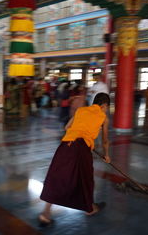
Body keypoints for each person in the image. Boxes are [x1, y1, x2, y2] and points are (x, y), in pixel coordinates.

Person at [39, 93, 111, 226]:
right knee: (86, 179)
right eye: (106, 107)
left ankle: (45, 214)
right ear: (104, 105)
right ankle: (89, 208)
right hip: (81, 149)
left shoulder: (81, 110)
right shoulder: (103, 117)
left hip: (65, 146)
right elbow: (105, 140)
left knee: (57, 177)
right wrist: (106, 155)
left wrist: (79, 131)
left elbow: (67, 128)